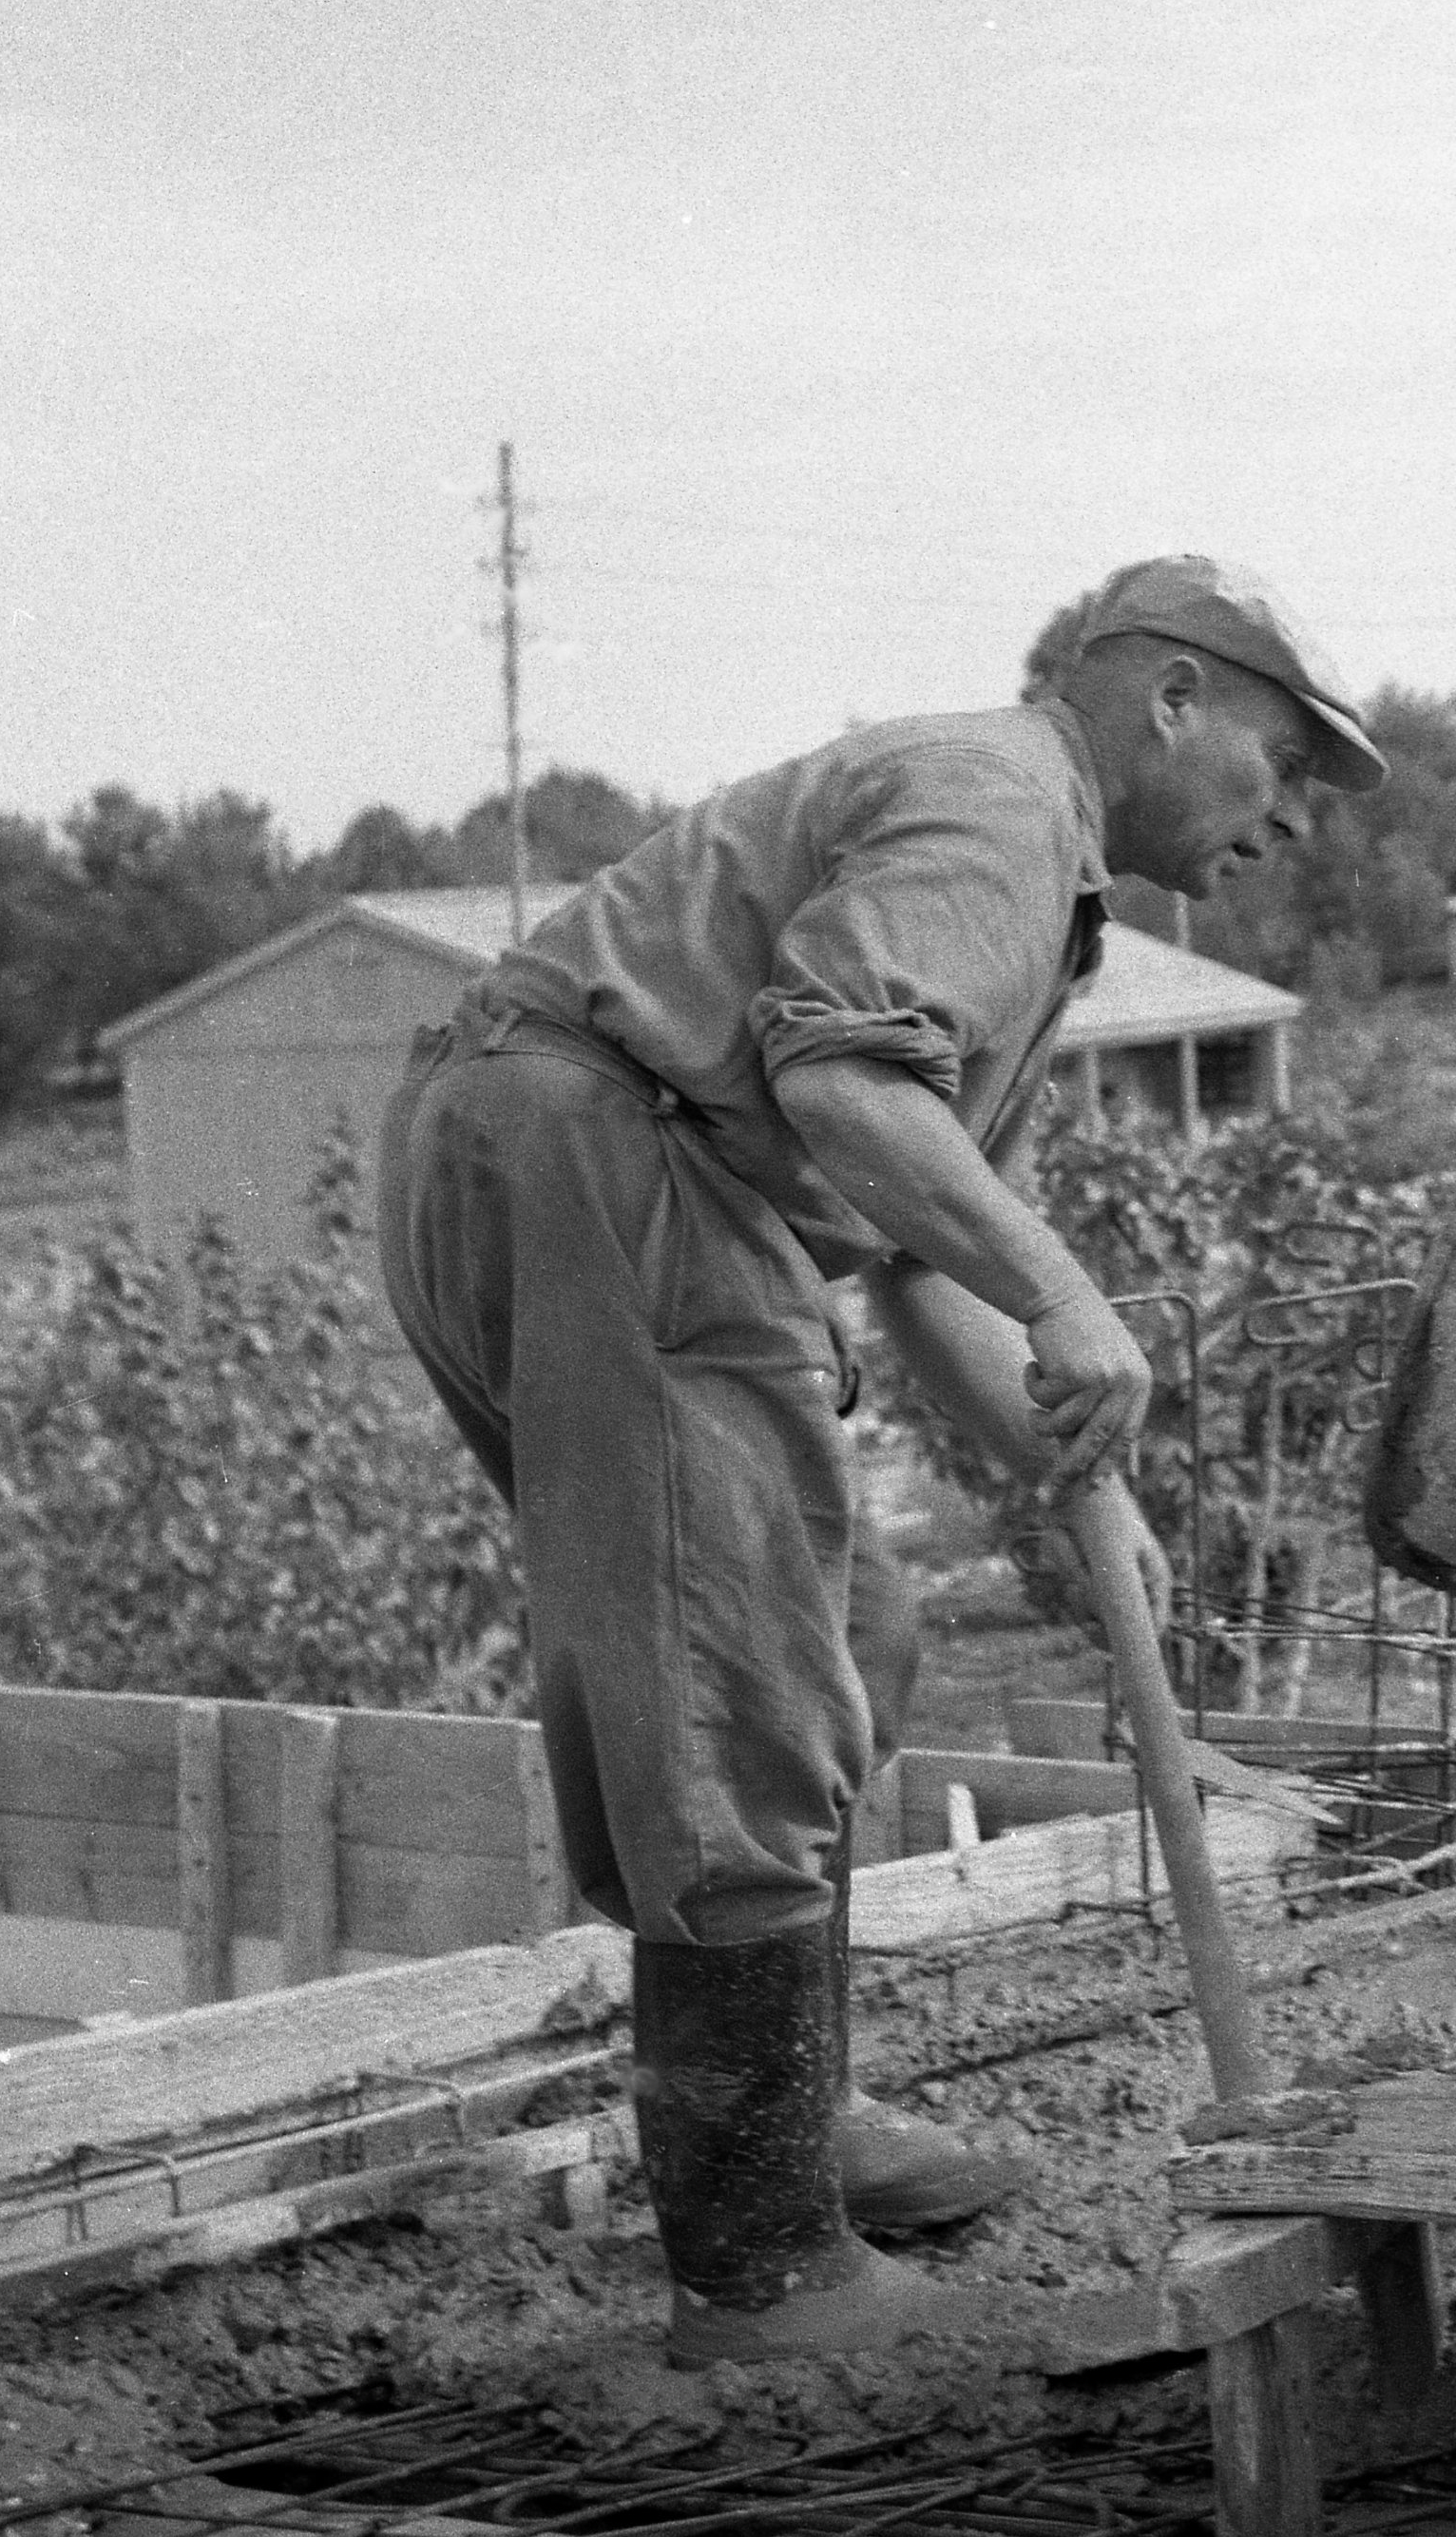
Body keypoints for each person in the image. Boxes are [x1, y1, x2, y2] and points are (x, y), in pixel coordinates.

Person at [375, 558, 1389, 2359]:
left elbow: (905, 1230)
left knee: (849, 1642)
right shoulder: (1003, 807)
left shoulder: (1026, 856)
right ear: (1166, 697)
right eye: (1285, 756)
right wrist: (1079, 1302)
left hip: (602, 1157)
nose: (1294, 815)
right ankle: (761, 2270)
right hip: (615, 1165)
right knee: (734, 1688)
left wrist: (1086, 1493)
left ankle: (796, 2118)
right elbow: (847, 1090)